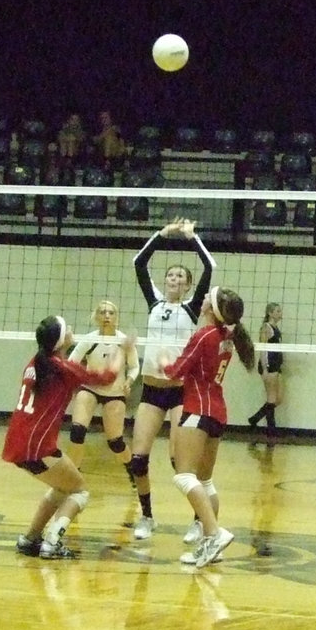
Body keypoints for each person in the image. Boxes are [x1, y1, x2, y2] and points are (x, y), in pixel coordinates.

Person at [7, 315, 136, 559]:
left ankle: (30, 539)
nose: (72, 330)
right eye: (67, 328)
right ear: (59, 340)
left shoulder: (35, 363)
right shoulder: (62, 368)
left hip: (18, 442)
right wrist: (123, 349)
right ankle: (52, 542)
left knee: (61, 486)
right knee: (80, 491)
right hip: (37, 446)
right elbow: (106, 378)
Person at [129, 218, 215, 541]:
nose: (174, 278)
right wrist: (161, 235)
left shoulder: (191, 309)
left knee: (181, 463)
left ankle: (198, 520)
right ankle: (147, 517)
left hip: (180, 392)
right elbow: (139, 263)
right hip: (152, 391)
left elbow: (210, 267)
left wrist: (193, 238)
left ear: (188, 285)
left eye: (181, 276)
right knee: (138, 459)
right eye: (171, 274)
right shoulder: (154, 302)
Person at [160, 286, 256, 567]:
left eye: (207, 297)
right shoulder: (226, 337)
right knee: (205, 481)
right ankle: (211, 546)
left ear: (212, 308)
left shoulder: (204, 335)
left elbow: (176, 372)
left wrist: (164, 363)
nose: (202, 298)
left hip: (198, 409)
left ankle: (214, 533)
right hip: (217, 411)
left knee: (183, 476)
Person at [66, 299, 141, 482]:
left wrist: (129, 381)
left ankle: (132, 471)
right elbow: (71, 363)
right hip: (90, 388)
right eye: (102, 312)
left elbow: (134, 367)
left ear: (116, 317)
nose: (107, 316)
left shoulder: (123, 341)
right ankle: (74, 476)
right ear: (96, 317)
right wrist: (78, 378)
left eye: (111, 313)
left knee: (115, 442)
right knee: (77, 432)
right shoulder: (90, 339)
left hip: (114, 393)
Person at [247, 302, 284, 438]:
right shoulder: (266, 327)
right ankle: (271, 431)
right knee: (272, 398)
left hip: (277, 365)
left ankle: (254, 419)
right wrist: (265, 369)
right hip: (269, 366)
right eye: (278, 311)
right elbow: (262, 349)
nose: (280, 313)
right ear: (270, 313)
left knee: (279, 398)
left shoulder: (276, 328)